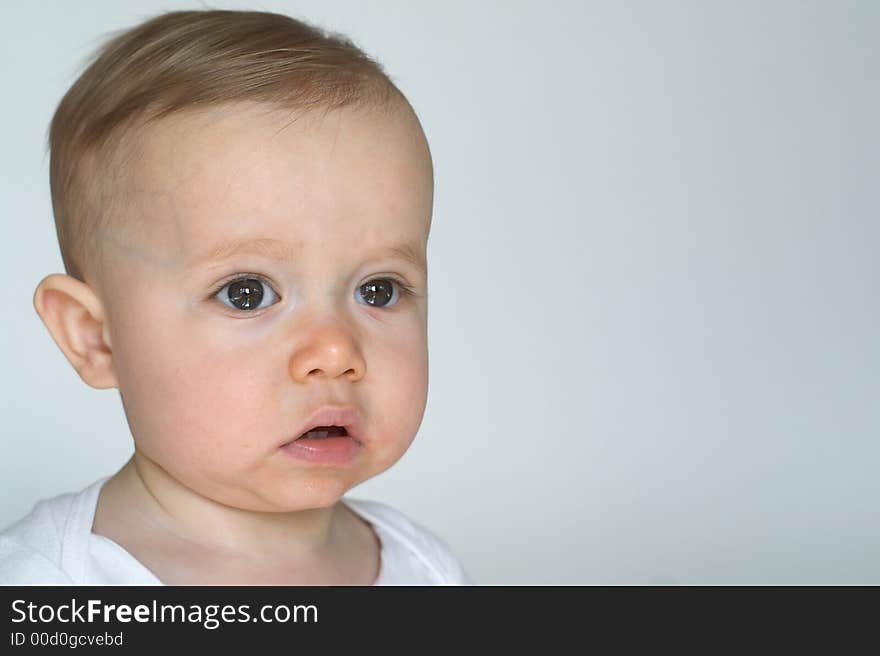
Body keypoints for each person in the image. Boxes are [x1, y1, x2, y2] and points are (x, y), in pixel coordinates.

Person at [0, 9, 470, 585]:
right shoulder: (49, 584)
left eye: (379, 289)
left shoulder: (425, 570)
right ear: (97, 338)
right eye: (246, 294)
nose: (334, 350)